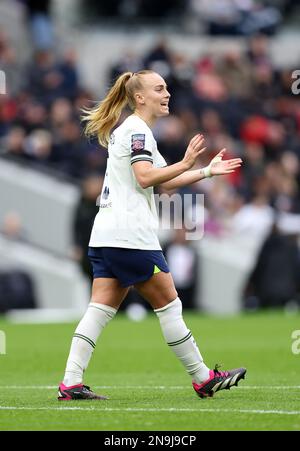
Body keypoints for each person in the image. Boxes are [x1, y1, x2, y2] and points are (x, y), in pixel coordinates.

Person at [58, 70, 245, 401]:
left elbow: (164, 182)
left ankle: (71, 382)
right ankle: (203, 378)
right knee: (170, 304)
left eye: (167, 87)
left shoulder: (133, 130)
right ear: (140, 97)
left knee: (99, 309)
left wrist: (204, 171)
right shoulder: (137, 131)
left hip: (106, 235)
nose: (167, 93)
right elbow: (145, 177)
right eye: (159, 88)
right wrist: (187, 160)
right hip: (131, 236)